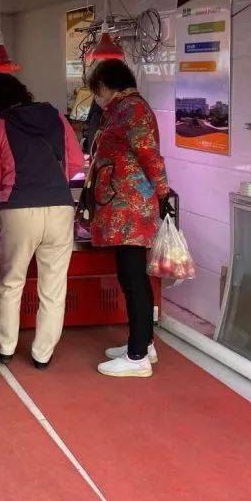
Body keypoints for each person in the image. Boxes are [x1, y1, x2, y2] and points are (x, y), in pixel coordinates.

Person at [0, 74, 84, 369]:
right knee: (53, 285)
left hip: (18, 210)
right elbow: (77, 162)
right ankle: (42, 353)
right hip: (60, 208)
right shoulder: (56, 117)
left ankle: (5, 348)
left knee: (11, 281)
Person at [83, 59, 171, 378]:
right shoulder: (124, 108)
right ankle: (143, 343)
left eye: (98, 90)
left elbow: (148, 153)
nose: (97, 96)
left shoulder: (132, 109)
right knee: (131, 276)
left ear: (106, 85)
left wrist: (163, 192)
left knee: (133, 279)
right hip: (124, 205)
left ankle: (137, 358)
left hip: (131, 207)